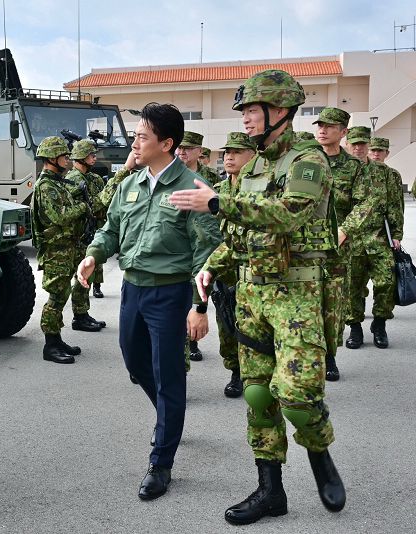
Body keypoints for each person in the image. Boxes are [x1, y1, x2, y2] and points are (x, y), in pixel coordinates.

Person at [170, 69, 346, 524]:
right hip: (251, 294)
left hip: (296, 294)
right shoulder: (252, 168)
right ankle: (271, 490)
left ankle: (320, 453)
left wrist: (216, 202)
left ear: (281, 110)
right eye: (244, 111)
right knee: (257, 394)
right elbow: (239, 236)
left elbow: (287, 215)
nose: (246, 119)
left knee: (298, 395)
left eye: (252, 110)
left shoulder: (308, 160)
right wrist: (214, 266)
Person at [77, 102, 220, 500]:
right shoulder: (130, 184)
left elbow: (206, 252)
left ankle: (161, 463)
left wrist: (200, 306)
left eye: (142, 137)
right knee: (134, 360)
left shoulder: (192, 189)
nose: (135, 143)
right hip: (133, 289)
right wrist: (93, 255)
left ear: (166, 143)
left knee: (168, 371)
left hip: (170, 292)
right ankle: (169, 413)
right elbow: (110, 229)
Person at [313, 108, 381, 380]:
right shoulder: (305, 160)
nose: (323, 130)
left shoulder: (355, 167)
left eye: (330, 126)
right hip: (303, 246)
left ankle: (330, 356)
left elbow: (366, 203)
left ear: (343, 132)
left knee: (332, 306)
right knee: (303, 303)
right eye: (320, 125)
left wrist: (345, 229)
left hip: (337, 249)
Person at [32, 136, 101, 364]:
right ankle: (50, 346)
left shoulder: (58, 182)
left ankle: (57, 339)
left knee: (62, 295)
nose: (67, 160)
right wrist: (83, 206)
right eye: (63, 156)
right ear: (52, 158)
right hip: (56, 250)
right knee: (56, 296)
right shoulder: (46, 186)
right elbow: (60, 216)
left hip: (66, 247)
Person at [344, 127, 402, 349]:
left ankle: (379, 324)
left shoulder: (385, 173)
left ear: (368, 145)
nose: (358, 148)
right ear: (347, 145)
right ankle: (355, 329)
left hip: (379, 238)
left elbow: (395, 205)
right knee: (352, 287)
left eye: (363, 144)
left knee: (387, 282)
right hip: (350, 240)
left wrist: (396, 234)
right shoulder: (341, 171)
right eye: (354, 144)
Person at [214, 131, 256, 397]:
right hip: (225, 270)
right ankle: (235, 372)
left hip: (253, 271)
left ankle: (256, 374)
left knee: (254, 327)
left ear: (253, 156)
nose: (229, 157)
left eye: (237, 152)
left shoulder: (259, 191)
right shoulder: (217, 191)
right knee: (227, 325)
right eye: (227, 152)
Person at [176, 130, 221, 362]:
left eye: (188, 148)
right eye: (180, 147)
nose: (182, 152)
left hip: (203, 241)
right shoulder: (172, 174)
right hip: (180, 243)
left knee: (197, 292)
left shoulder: (210, 177)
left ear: (199, 151)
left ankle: (192, 340)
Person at [66, 139, 107, 299]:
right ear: (82, 157)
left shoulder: (94, 178)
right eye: (91, 155)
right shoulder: (74, 179)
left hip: (96, 223)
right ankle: (82, 290)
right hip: (82, 229)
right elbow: (90, 205)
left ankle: (96, 285)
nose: (95, 158)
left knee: (97, 258)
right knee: (84, 260)